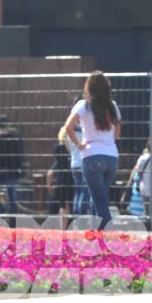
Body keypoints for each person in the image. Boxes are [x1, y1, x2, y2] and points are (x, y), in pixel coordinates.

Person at [62, 71, 122, 230]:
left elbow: (68, 127)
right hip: (112, 157)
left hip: (91, 155)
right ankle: (97, 232)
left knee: (99, 200)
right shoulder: (113, 106)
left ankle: (108, 232)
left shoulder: (83, 105)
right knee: (100, 198)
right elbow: (117, 133)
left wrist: (79, 144)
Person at [0, 115, 24, 215]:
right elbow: (21, 153)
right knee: (12, 195)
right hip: (13, 170)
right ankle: (13, 219)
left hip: (1, 170)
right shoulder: (16, 137)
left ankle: (2, 213)